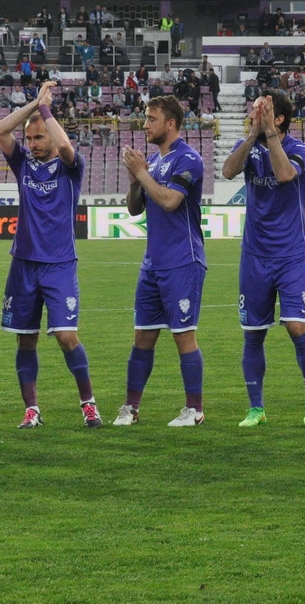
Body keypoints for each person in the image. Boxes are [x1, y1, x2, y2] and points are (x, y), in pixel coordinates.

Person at [0, 82, 102, 429]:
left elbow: (66, 146)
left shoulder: (71, 167)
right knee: (26, 339)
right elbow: (0, 130)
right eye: (29, 139)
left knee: (67, 337)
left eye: (39, 137)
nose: (33, 144)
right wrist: (34, 104)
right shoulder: (23, 164)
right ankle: (32, 410)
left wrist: (45, 110)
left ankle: (88, 404)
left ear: (52, 136)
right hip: (23, 264)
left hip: (59, 265)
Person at [221, 90, 305, 428]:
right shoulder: (247, 145)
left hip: (291, 254)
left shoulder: (299, 149)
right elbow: (228, 171)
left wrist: (269, 135)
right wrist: (253, 135)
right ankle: (256, 408)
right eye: (253, 109)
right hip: (254, 255)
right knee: (253, 334)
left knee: (296, 327)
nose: (253, 114)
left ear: (278, 118)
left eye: (261, 110)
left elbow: (284, 174)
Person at [114, 96, 207, 427]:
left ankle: (194, 410)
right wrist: (135, 179)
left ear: (171, 123)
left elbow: (169, 201)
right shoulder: (152, 162)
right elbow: (133, 208)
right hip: (152, 263)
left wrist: (142, 172)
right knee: (142, 337)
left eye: (151, 118)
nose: (145, 124)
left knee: (183, 336)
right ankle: (131, 407)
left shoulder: (189, 159)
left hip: (183, 261)